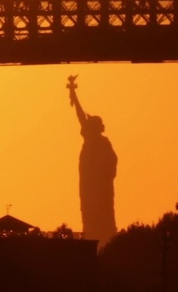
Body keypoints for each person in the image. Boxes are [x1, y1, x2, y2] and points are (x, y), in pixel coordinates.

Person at [67, 75, 117, 246]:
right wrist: (73, 93)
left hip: (100, 191)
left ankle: (104, 243)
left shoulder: (103, 144)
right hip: (90, 189)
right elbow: (81, 116)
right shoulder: (93, 141)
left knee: (102, 219)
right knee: (89, 217)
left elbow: (111, 167)